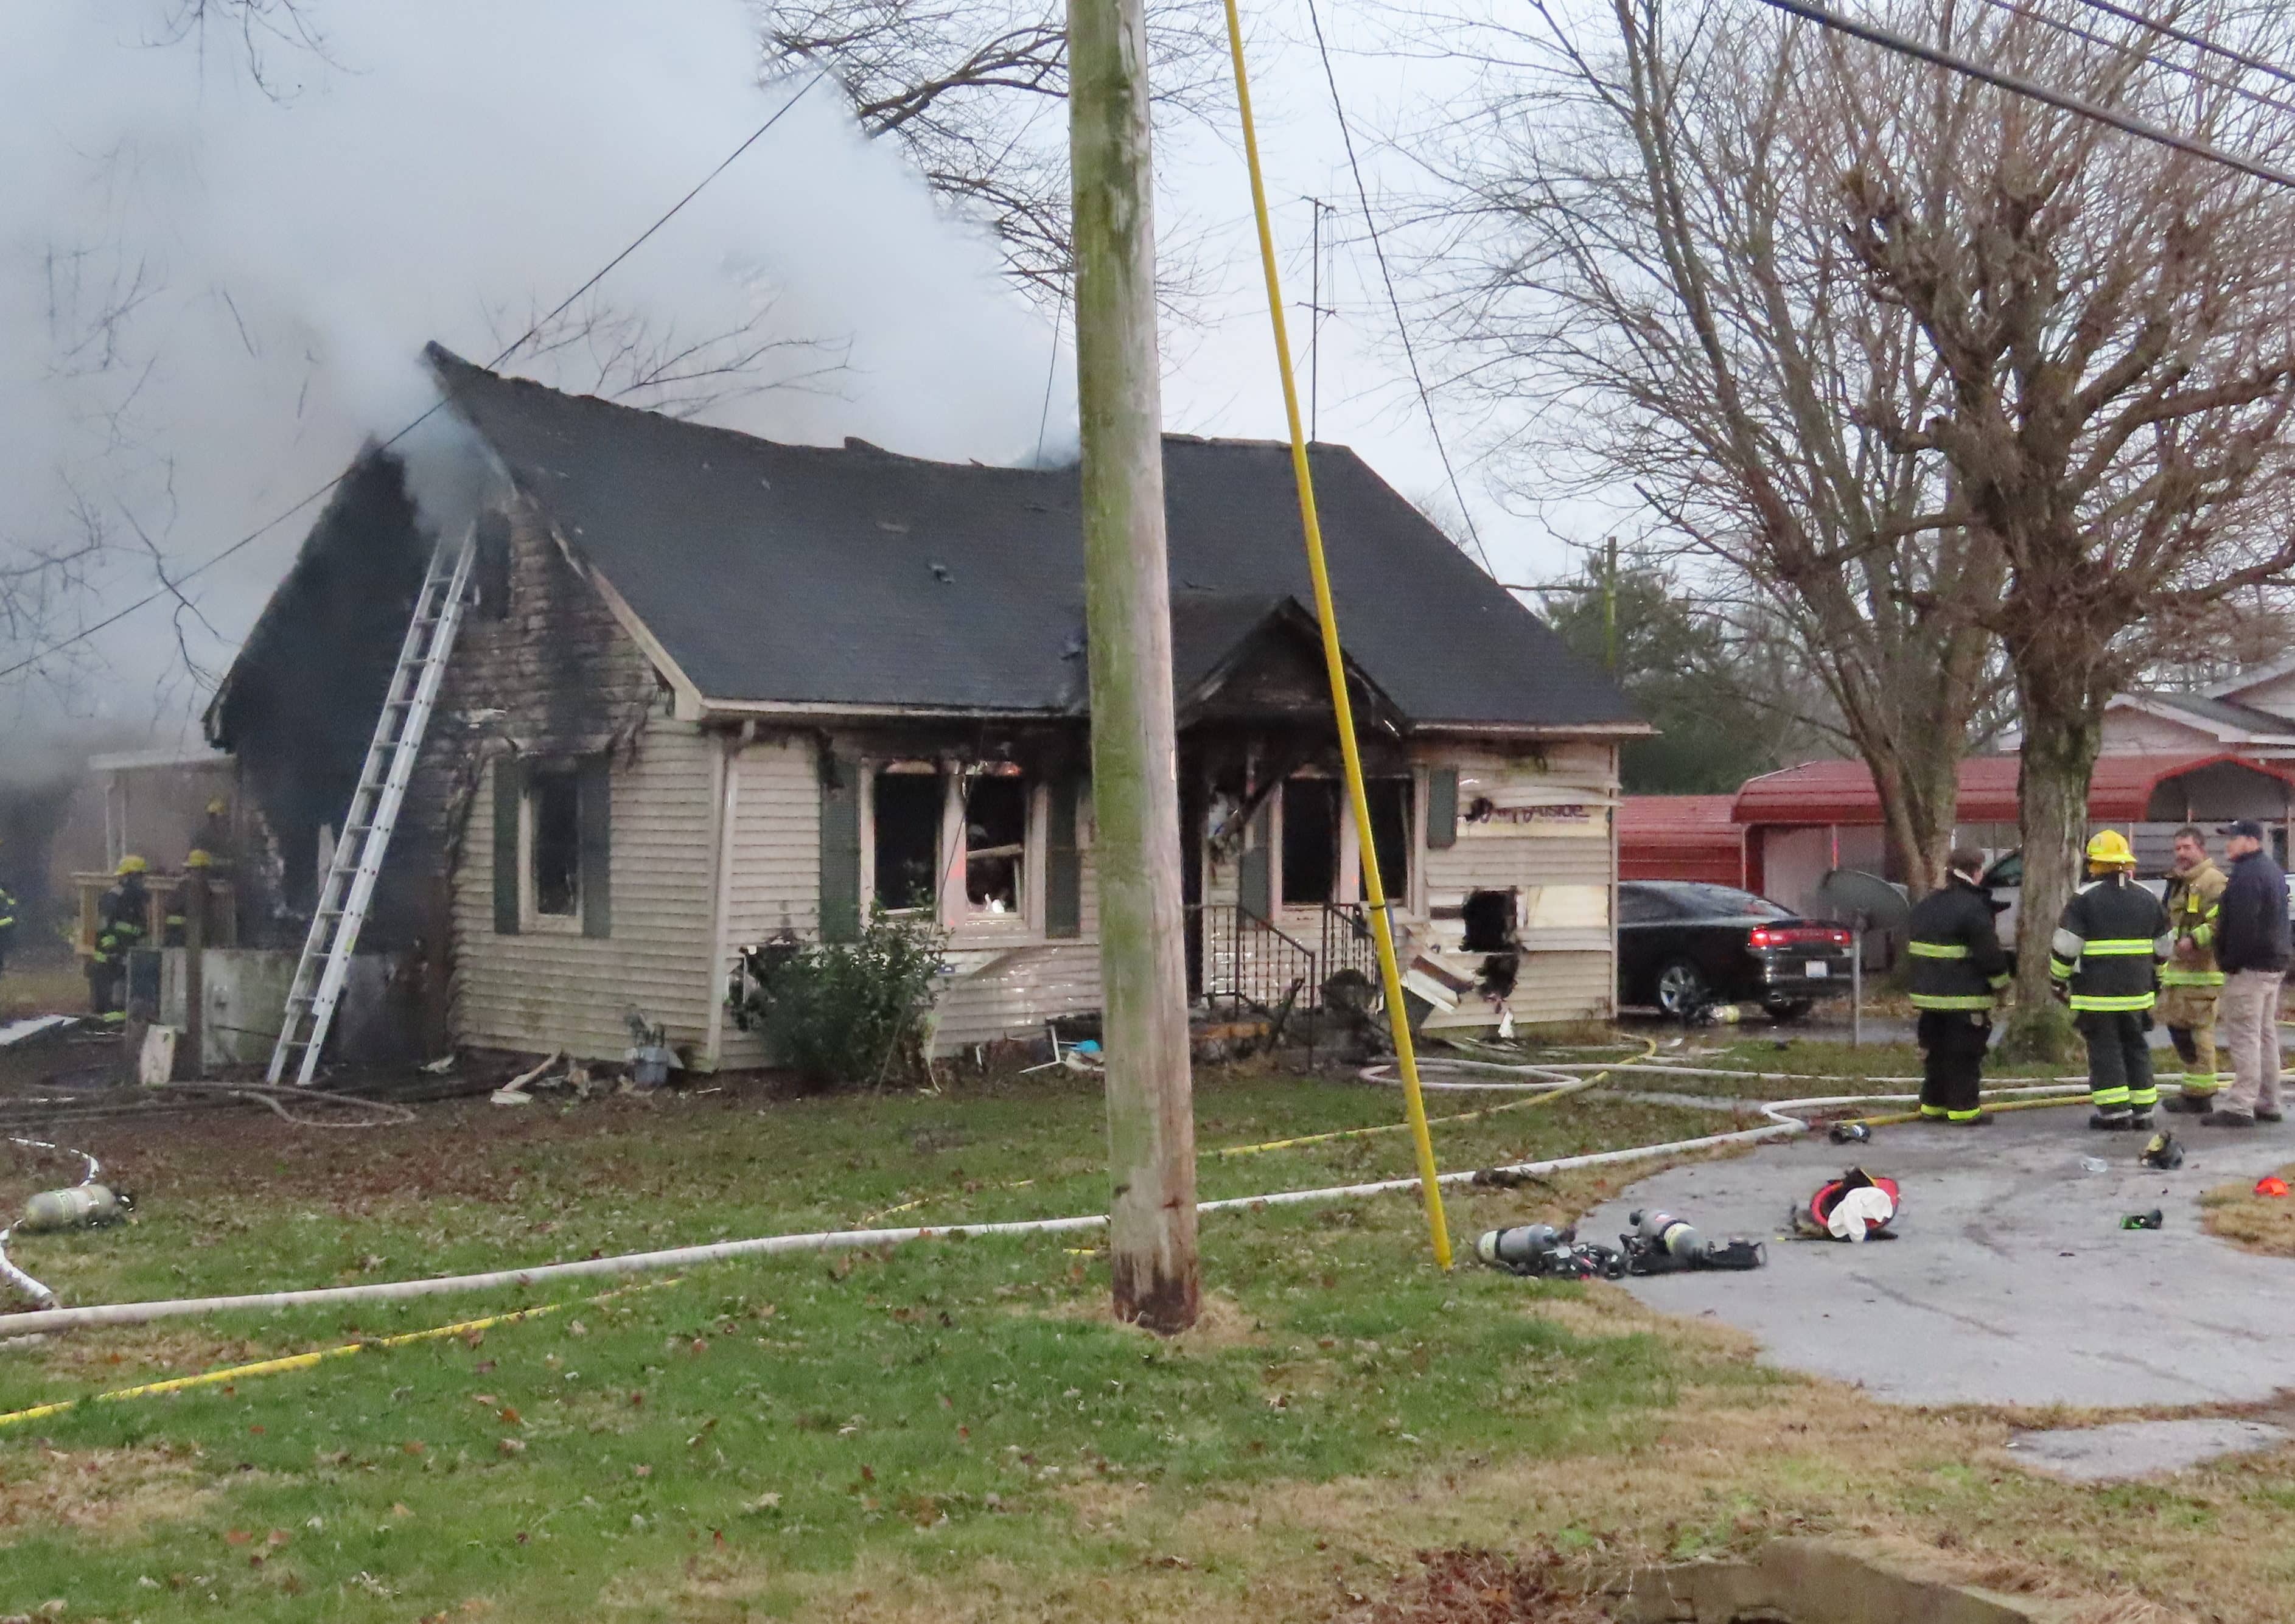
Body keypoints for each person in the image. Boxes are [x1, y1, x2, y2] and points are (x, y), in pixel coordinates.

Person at [2050, 829, 2172, 1132]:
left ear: (2094, 864)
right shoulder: (2149, 897)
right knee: (2136, 1046)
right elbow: (2164, 946)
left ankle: (2115, 1114)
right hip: (2138, 993)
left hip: (2097, 993)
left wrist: (2058, 980)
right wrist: (2157, 980)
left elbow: (2066, 946)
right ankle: (2144, 1112)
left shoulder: (2083, 899)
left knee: (2105, 1049)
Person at [1906, 846, 2011, 1124]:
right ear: (1976, 872)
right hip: (1965, 999)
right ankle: (1964, 1110)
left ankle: (1933, 1106)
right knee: (1964, 1055)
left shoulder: (1927, 904)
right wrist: (2002, 987)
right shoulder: (1974, 908)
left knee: (1936, 1053)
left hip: (1929, 998)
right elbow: (1990, 956)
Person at [2205, 818, 2288, 1129]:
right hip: (2274, 964)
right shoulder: (2272, 871)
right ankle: (2269, 1101)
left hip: (2249, 968)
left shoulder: (2245, 876)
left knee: (2245, 1036)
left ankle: (2241, 1105)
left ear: (2252, 841)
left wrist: (2228, 960)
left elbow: (2242, 926)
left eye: (2233, 838)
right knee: (2265, 1034)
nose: (2228, 844)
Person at [2159, 825, 2231, 1113]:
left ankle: (2202, 1095)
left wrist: (2194, 939)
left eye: (2187, 847)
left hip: (2202, 973)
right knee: (2181, 1033)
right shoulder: (2179, 882)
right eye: (2177, 848)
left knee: (2200, 1035)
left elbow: (2220, 921)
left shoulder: (2213, 881)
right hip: (2178, 974)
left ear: (2202, 849)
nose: (2181, 854)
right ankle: (2192, 1090)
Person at [87, 855, 151, 1025]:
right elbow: (104, 928)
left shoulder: (136, 900)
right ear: (128, 876)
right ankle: (109, 1026)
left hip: (126, 953)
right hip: (110, 957)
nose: (141, 881)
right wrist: (111, 950)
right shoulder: (113, 898)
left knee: (124, 993)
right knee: (111, 997)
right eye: (138, 877)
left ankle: (120, 1025)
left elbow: (138, 930)